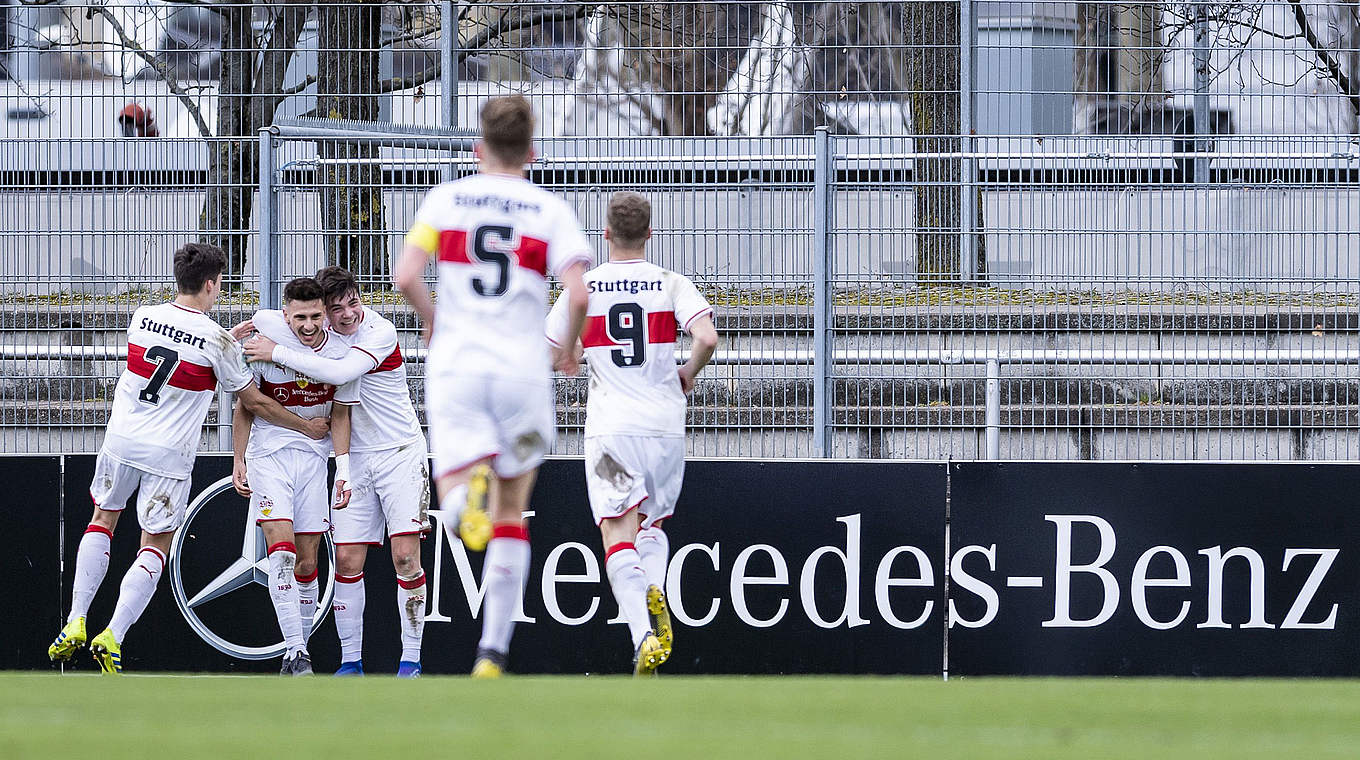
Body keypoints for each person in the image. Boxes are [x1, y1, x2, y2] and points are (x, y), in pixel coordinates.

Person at [47, 243, 329, 674]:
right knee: (154, 545)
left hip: (120, 440)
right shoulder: (217, 341)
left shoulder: (143, 317)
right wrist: (305, 426)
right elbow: (254, 401)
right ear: (213, 283)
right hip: (168, 454)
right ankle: (114, 635)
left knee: (101, 519)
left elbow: (176, 352)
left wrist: (223, 347)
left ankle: (75, 619)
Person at [394, 95, 592, 678]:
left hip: (458, 363)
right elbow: (579, 294)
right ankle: (492, 653)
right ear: (532, 152)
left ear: (478, 148)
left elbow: (405, 274)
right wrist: (568, 347)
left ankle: (461, 505)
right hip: (521, 370)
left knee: (453, 489)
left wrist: (433, 317)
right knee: (513, 512)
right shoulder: (548, 209)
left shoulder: (446, 200)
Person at [546, 191, 718, 675]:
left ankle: (642, 632)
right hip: (665, 428)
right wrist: (687, 372)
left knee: (616, 532)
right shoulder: (670, 282)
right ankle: (655, 585)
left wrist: (569, 355)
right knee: (652, 526)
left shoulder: (588, 287)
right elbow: (707, 337)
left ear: (605, 234)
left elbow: (548, 348)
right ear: (649, 233)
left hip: (611, 432)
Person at [244, 266, 429, 678]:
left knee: (404, 558)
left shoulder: (378, 332)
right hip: (353, 459)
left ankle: (411, 662)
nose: (348, 315)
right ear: (323, 312)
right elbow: (269, 317)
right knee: (345, 560)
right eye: (337, 308)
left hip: (400, 453)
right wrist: (249, 328)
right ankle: (350, 664)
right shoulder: (317, 334)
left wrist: (273, 351)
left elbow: (341, 374)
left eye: (354, 303)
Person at [231, 277, 358, 676]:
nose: (307, 325)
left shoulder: (341, 352)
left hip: (314, 462)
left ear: (325, 314)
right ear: (285, 315)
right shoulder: (265, 330)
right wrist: (238, 459)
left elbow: (340, 413)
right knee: (282, 554)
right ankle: (296, 651)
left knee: (307, 563)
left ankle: (296, 654)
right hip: (269, 457)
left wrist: (342, 467)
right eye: (299, 317)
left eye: (316, 316)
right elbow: (247, 403)